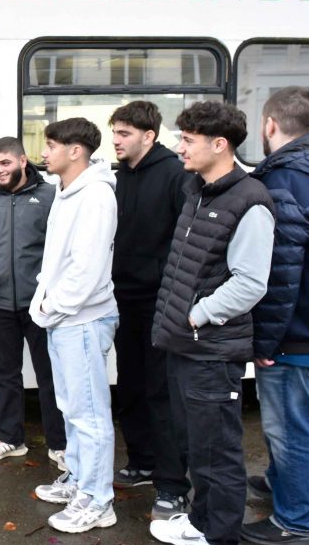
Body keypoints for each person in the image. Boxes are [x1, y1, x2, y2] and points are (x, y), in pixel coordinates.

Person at [148, 101, 275, 545]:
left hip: (211, 350)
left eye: (188, 140)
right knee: (194, 446)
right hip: (186, 345)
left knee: (216, 454)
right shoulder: (198, 190)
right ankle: (202, 523)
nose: (179, 148)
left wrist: (196, 314)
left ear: (219, 144)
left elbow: (250, 283)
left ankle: (220, 535)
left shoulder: (249, 200)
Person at [240, 87, 309, 545]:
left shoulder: (285, 180)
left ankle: (296, 524)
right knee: (296, 418)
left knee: (291, 427)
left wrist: (265, 341)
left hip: (297, 331)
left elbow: (280, 274)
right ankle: (282, 482)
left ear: (270, 125)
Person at [28, 118, 119, 534]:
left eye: (51, 146)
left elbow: (87, 268)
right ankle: (80, 480)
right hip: (66, 319)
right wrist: (49, 306)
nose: (44, 153)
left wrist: (53, 306)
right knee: (71, 407)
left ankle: (98, 500)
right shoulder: (68, 190)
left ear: (76, 150)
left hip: (81, 319)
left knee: (89, 414)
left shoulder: (96, 196)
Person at [0, 136, 66, 470]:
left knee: (51, 375)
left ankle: (60, 444)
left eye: (5, 163)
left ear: (22, 161)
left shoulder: (51, 196)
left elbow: (65, 247)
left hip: (42, 305)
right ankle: (10, 438)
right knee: (4, 373)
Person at [109, 101, 192, 520]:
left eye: (124, 133)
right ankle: (141, 461)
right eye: (115, 132)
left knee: (162, 393)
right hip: (124, 296)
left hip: (160, 299)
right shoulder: (120, 175)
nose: (116, 140)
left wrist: (175, 294)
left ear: (149, 136)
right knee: (130, 386)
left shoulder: (175, 175)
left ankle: (172, 484)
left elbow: (184, 241)